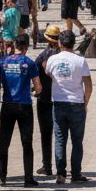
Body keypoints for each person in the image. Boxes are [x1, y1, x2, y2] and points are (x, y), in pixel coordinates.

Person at [46, 29, 93, 184]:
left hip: (58, 103)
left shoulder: (53, 60)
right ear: (73, 44)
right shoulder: (80, 61)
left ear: (59, 43)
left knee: (60, 139)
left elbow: (48, 73)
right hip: (77, 103)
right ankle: (76, 173)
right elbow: (88, 85)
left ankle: (60, 173)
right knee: (77, 141)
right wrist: (85, 102)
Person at [0, 34, 41, 187]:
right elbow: (38, 86)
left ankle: (2, 177)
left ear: (14, 45)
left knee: (4, 142)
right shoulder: (29, 63)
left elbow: (0, 82)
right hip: (24, 105)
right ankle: (28, 178)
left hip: (7, 104)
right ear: (26, 47)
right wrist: (35, 91)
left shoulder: (4, 62)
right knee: (26, 142)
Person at [34, 25, 61, 178]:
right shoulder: (62, 56)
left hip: (44, 98)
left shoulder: (43, 56)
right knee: (60, 134)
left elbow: (35, 74)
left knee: (46, 134)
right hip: (60, 98)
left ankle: (47, 165)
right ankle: (60, 165)